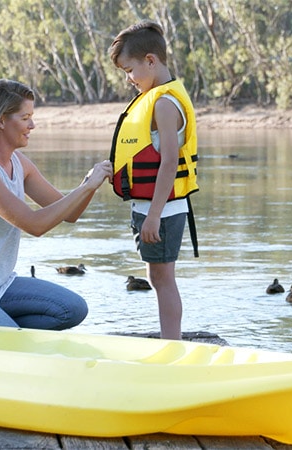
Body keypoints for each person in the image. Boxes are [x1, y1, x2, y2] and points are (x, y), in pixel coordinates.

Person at [0, 79, 113, 330]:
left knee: (72, 309)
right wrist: (87, 187)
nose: (32, 125)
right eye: (25, 118)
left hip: (0, 285)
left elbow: (69, 214)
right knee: (11, 338)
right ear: (1, 120)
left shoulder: (19, 163)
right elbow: (35, 225)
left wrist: (90, 183)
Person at [108, 21, 199, 340]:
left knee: (163, 279)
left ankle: (171, 343)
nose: (128, 79)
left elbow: (170, 162)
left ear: (150, 60)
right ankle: (169, 340)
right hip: (153, 207)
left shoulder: (164, 103)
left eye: (129, 70)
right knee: (158, 277)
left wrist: (154, 215)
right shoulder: (158, 97)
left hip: (162, 210)